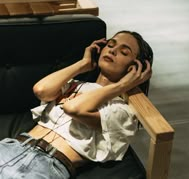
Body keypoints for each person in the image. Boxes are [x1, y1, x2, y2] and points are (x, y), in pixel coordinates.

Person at [0, 30, 153, 179]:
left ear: (135, 68)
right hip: (11, 147)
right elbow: (41, 90)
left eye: (124, 52)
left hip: (47, 165)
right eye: (110, 45)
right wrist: (83, 64)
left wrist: (123, 85)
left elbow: (73, 109)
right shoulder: (75, 84)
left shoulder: (122, 111)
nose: (112, 51)